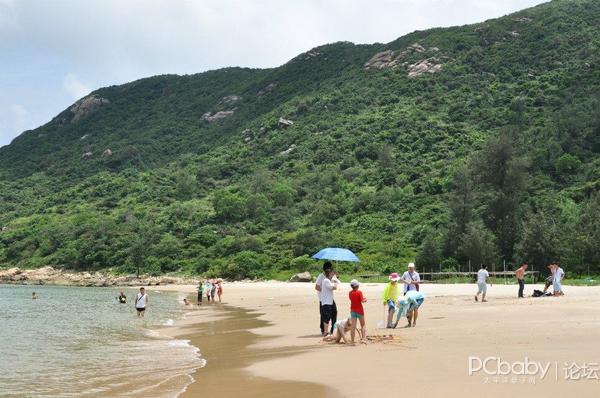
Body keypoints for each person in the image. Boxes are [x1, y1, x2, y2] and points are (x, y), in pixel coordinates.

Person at [315, 262, 338, 335]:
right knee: (324, 315)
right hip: (323, 298)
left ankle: (332, 329)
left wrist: (335, 277)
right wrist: (324, 291)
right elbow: (317, 287)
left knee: (334, 312)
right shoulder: (321, 276)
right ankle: (324, 330)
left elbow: (333, 283)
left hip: (329, 298)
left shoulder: (329, 277)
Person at [320, 269, 339, 336]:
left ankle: (332, 330)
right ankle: (325, 332)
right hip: (326, 302)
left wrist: (336, 278)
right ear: (329, 274)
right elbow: (334, 287)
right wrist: (336, 281)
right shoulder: (326, 280)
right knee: (326, 317)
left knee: (334, 313)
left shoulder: (328, 280)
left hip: (330, 301)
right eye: (332, 273)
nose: (333, 274)